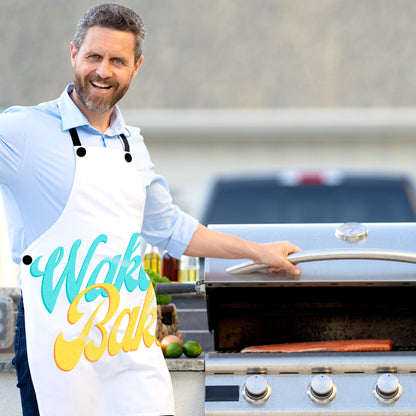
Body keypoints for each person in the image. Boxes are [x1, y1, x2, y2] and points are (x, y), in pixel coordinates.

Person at [0, 3, 301, 416]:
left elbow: (174, 229)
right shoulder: (23, 131)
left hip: (127, 339)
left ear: (136, 67)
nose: (103, 71)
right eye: (94, 56)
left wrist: (257, 250)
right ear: (73, 54)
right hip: (55, 342)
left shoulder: (131, 145)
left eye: (117, 61)